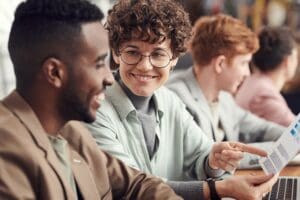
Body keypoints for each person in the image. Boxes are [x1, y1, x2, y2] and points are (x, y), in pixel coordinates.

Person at [86, 1, 278, 199]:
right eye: (132, 52)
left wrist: (214, 160)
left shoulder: (169, 100)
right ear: (117, 54)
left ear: (175, 59)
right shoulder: (95, 110)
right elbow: (133, 188)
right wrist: (219, 188)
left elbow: (202, 155)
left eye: (158, 54)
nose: (144, 66)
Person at [0, 0, 185, 199]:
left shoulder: (72, 130)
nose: (108, 77)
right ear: (54, 72)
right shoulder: (7, 153)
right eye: (99, 64)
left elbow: (137, 184)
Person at [167, 14, 286, 169]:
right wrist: (283, 150)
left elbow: (262, 129)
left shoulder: (224, 97)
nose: (247, 73)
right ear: (220, 64)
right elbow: (217, 161)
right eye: (243, 63)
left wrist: (293, 138)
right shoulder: (177, 100)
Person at [236, 26, 298, 126]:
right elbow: (296, 131)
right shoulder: (265, 95)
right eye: (296, 57)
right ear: (287, 61)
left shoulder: (253, 81)